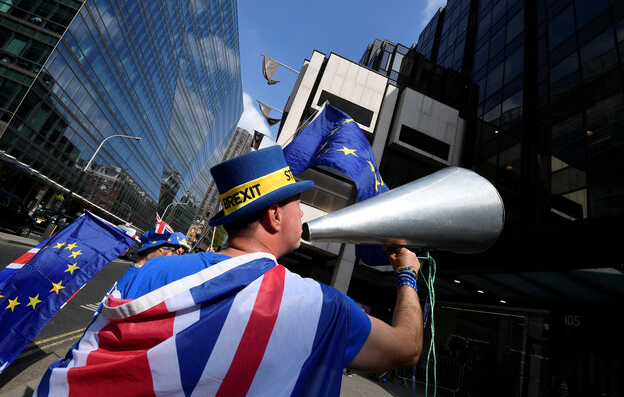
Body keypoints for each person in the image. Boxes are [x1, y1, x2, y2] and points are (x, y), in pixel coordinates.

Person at [36, 146, 423, 396]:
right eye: (296, 205)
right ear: (274, 215)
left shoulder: (145, 272)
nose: (302, 214)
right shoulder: (318, 305)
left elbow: (88, 352)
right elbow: (407, 348)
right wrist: (407, 276)